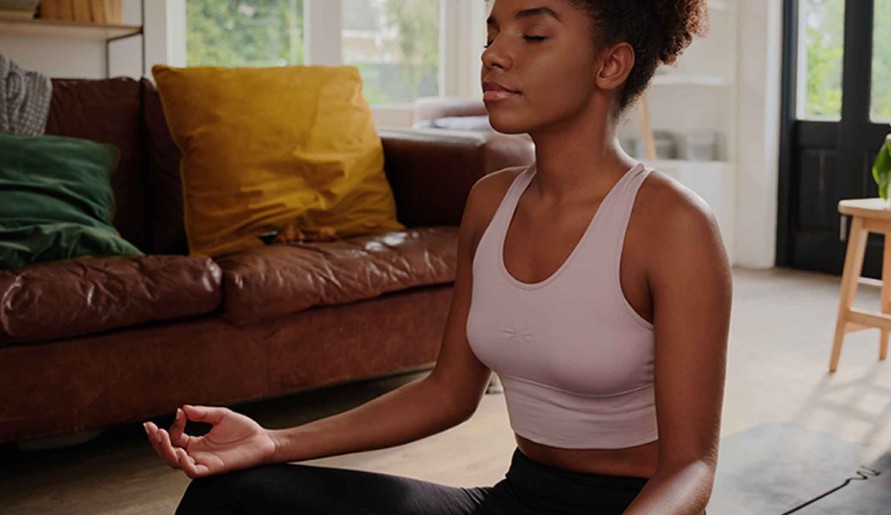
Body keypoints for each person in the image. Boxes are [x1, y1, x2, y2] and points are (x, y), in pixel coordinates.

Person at [143, 1, 730, 513]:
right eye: (490, 33)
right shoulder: (490, 202)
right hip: (514, 500)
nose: (494, 55)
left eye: (532, 35)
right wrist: (273, 441)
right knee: (232, 496)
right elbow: (449, 390)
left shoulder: (673, 226)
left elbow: (691, 469)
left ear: (610, 64)